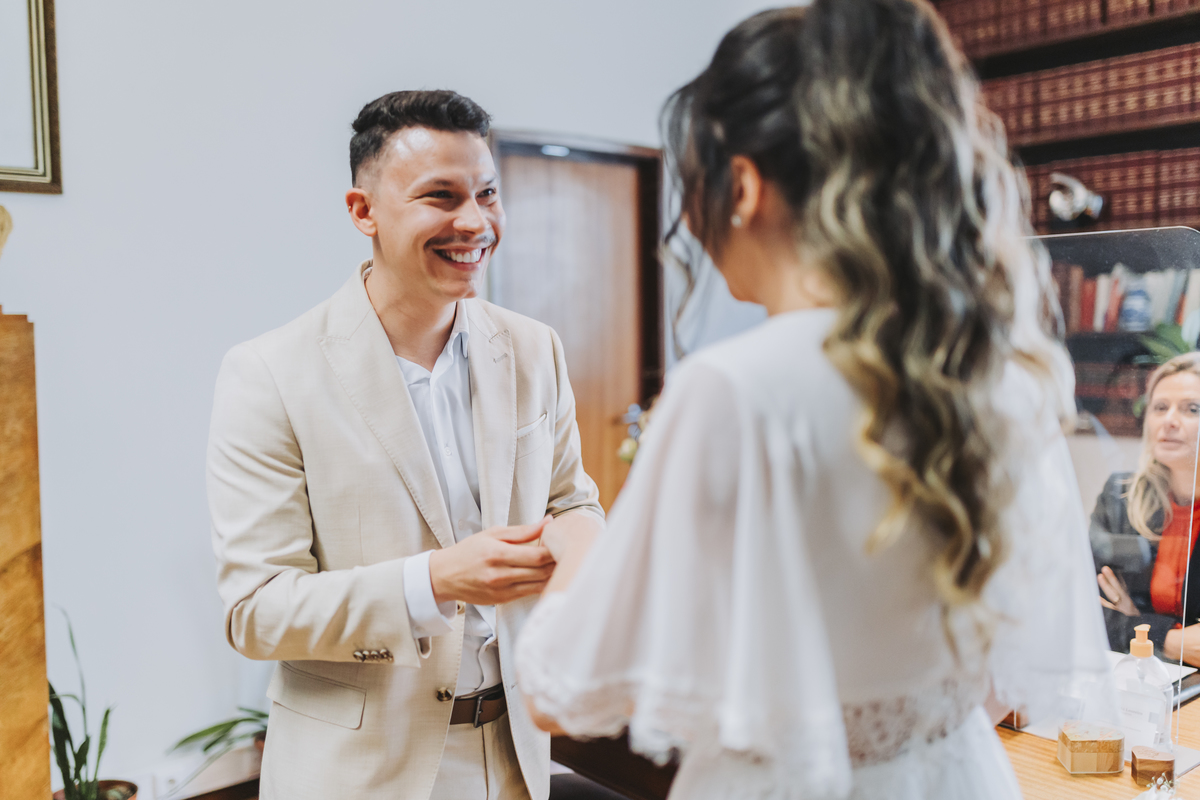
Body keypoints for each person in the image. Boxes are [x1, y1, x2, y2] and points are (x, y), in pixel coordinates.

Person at [514, 2, 1115, 798]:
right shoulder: (996, 370)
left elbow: (562, 693)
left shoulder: (736, 389)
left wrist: (578, 546)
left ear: (742, 185)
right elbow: (1004, 679)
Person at [207, 90, 604, 800]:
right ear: (363, 212)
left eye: (487, 193)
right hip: (360, 773)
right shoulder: (269, 373)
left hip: (517, 757)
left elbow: (572, 502)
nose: (475, 222)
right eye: (441, 196)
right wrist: (437, 580)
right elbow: (257, 612)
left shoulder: (534, 348)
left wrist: (578, 553)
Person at [1093, 352, 1200, 666]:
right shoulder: (1121, 495)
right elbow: (1086, 610)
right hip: (1140, 680)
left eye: (1192, 409)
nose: (1170, 421)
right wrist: (1169, 639)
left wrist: (1135, 620)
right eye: (1160, 407)